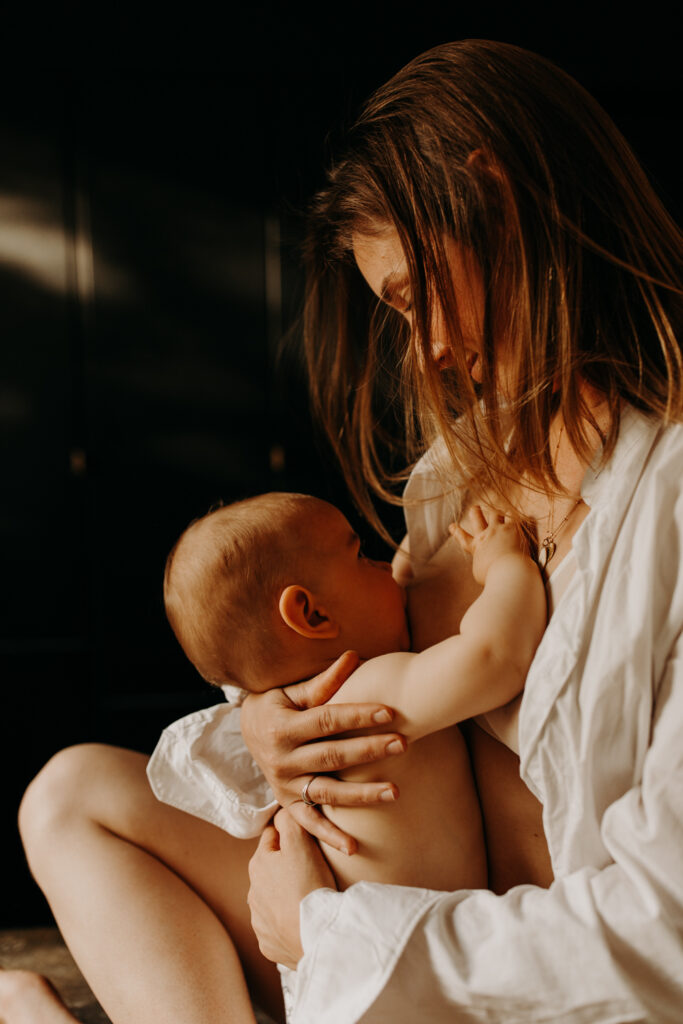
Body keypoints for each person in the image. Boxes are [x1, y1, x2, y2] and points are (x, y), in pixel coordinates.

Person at [9, 37, 683, 1024]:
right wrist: (265, 721)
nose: (436, 352)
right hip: (389, 912)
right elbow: (332, 639)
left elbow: (661, 935)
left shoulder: (662, 498)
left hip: (519, 972)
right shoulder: (456, 476)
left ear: (492, 196)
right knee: (67, 796)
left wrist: (320, 931)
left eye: (417, 299)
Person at [154, 491, 544, 898]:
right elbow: (497, 659)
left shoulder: (323, 706)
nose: (385, 566)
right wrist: (504, 564)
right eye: (359, 557)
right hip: (384, 944)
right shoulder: (366, 693)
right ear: (313, 614)